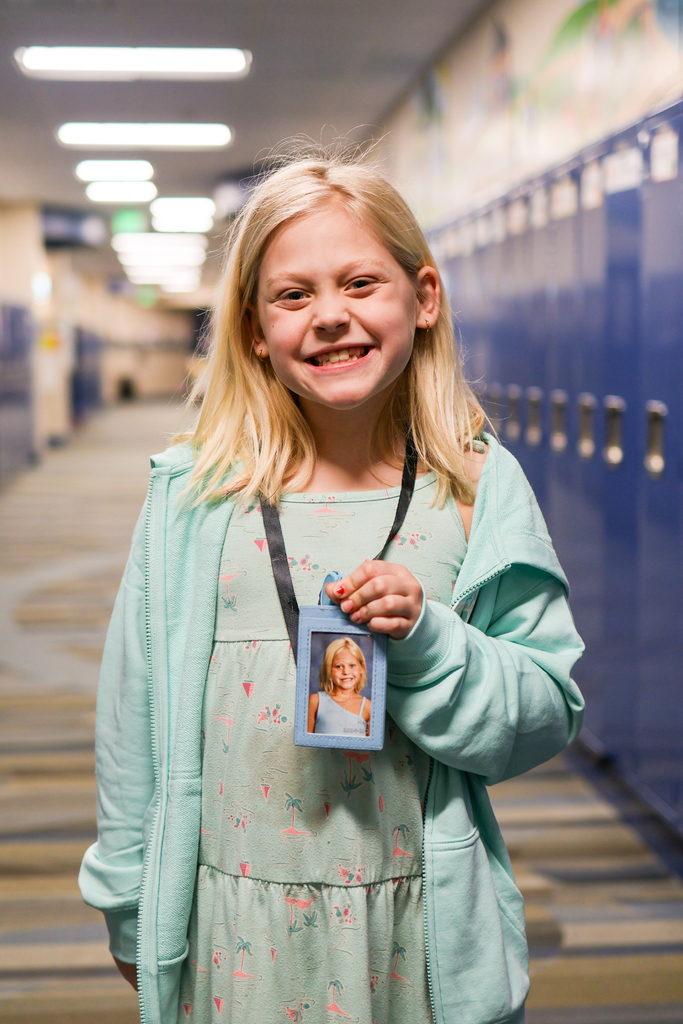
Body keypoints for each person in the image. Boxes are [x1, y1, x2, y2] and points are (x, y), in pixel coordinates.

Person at [79, 149, 584, 1024]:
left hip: (413, 921)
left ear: (422, 299)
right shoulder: (198, 497)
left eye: (359, 282)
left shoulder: (472, 490)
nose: (329, 317)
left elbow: (543, 708)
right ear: (250, 329)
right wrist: (131, 904)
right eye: (292, 294)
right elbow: (134, 717)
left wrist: (431, 642)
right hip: (232, 917)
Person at [308, 636, 371, 735]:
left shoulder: (368, 707)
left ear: (361, 668)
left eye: (352, 665)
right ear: (328, 670)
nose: (346, 672)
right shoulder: (315, 701)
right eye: (339, 666)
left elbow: (369, 748)